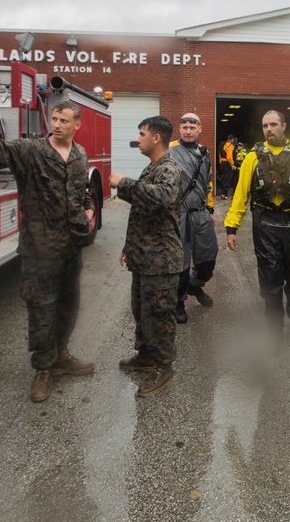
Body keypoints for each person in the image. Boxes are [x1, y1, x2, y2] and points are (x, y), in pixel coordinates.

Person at [0, 100, 95, 403]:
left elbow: (82, 191)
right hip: (40, 247)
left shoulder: (80, 155)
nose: (57, 124)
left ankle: (61, 354)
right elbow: (3, 151)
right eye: (55, 118)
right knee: (41, 307)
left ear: (77, 125)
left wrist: (88, 211)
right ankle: (43, 368)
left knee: (68, 303)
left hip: (71, 246)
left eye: (64, 120)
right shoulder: (32, 150)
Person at [225, 110, 290, 340]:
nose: (269, 129)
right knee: (270, 277)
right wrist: (231, 227)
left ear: (284, 126)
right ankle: (274, 328)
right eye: (265, 126)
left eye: (273, 125)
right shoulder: (253, 157)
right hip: (265, 221)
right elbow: (241, 193)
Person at [110, 116, 183, 398]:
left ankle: (164, 368)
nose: (137, 139)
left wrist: (124, 183)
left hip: (161, 261)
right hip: (144, 257)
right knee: (141, 311)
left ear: (155, 138)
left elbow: (161, 197)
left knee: (159, 315)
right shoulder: (151, 167)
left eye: (141, 134)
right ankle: (145, 355)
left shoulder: (169, 169)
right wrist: (129, 246)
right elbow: (143, 210)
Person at [169, 113, 218, 323]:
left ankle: (194, 285)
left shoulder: (204, 153)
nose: (188, 130)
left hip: (201, 213)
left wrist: (211, 208)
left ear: (199, 129)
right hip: (178, 214)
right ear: (180, 129)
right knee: (181, 262)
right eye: (184, 127)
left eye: (192, 127)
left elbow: (207, 183)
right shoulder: (168, 150)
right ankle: (179, 302)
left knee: (208, 258)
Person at [217, 134, 237, 199]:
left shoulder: (224, 145)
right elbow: (229, 156)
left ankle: (223, 193)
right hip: (227, 163)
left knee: (223, 178)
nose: (234, 140)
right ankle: (225, 194)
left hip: (222, 163)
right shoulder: (230, 146)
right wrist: (232, 164)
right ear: (231, 139)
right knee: (227, 179)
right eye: (233, 139)